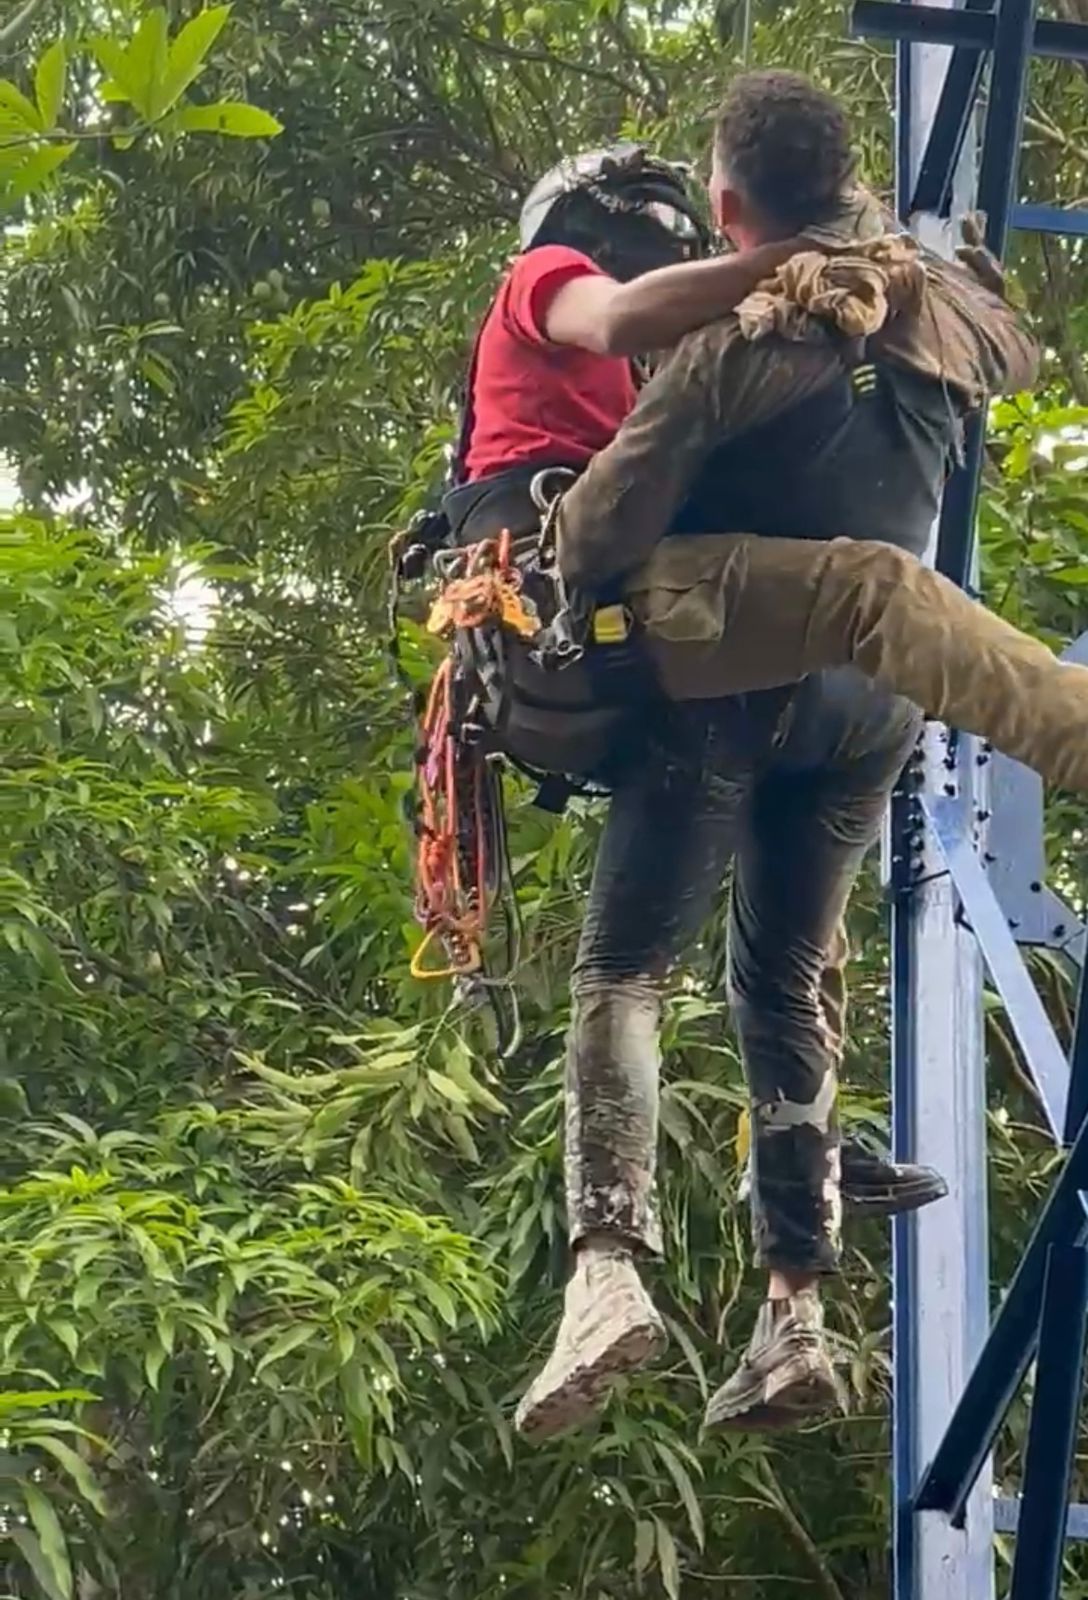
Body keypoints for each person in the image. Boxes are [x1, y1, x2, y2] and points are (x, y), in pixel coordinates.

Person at [512, 69, 1068, 1442]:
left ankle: (604, 1270)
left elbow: (606, 529)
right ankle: (794, 1319)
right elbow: (1013, 348)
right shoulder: (947, 309)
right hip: (873, 715)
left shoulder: (737, 342)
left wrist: (548, 548)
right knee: (785, 979)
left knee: (625, 964)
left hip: (731, 697)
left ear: (725, 207)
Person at [441, 142, 951, 1232]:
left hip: (636, 614)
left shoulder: (663, 365)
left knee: (793, 911)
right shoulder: (543, 281)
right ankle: (617, 1229)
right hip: (562, 590)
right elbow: (615, 319)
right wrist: (800, 255)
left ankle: (800, 1129)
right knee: (637, 955)